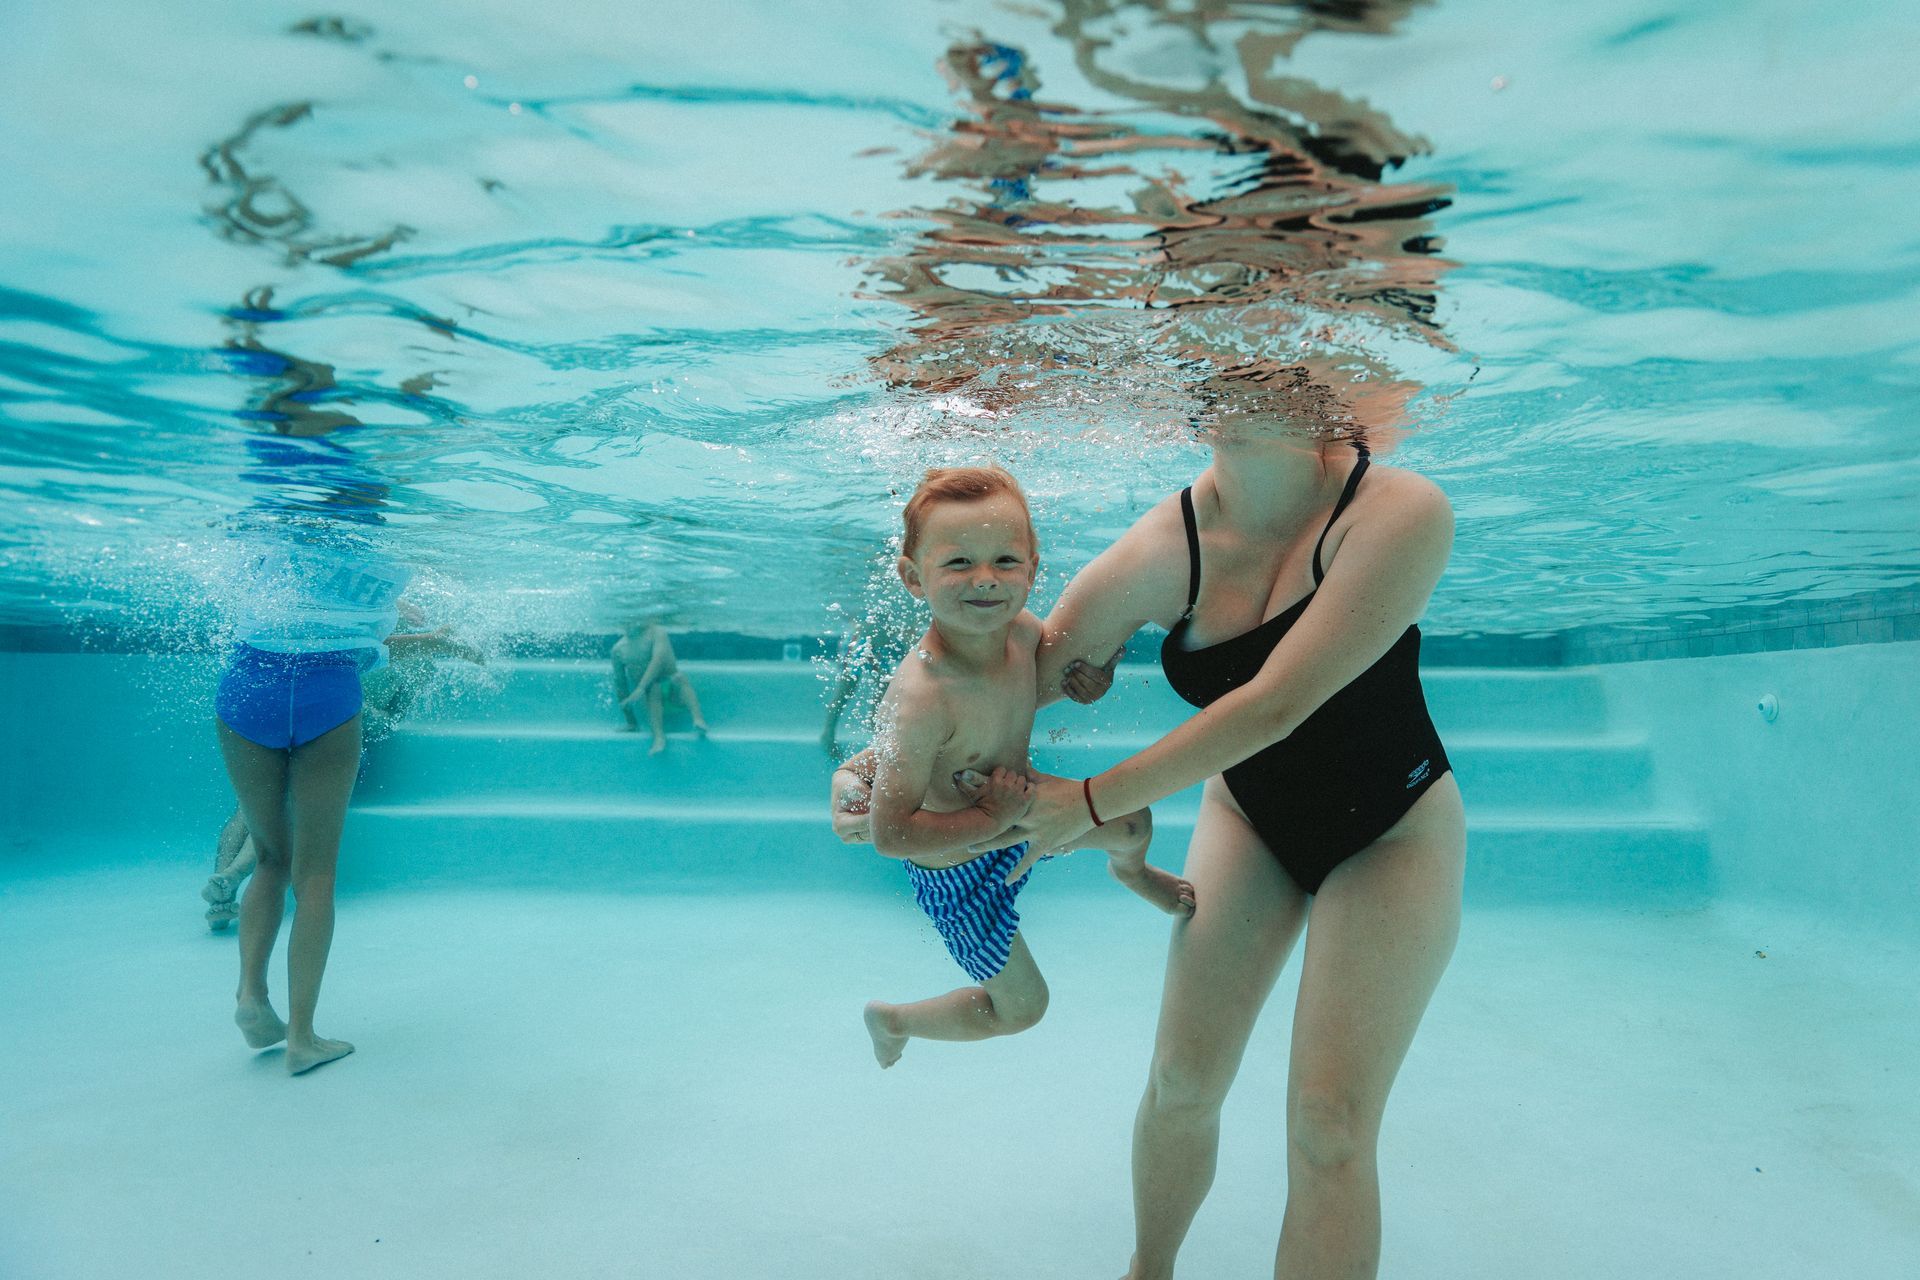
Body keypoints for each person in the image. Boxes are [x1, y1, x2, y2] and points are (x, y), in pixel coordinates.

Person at [834, 413, 1463, 1278]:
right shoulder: (1170, 543)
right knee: (1181, 1085)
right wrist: (871, 770)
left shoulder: (1399, 509)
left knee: (1329, 1125)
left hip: (1394, 829)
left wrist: (1088, 802)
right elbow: (1015, 680)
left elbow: (1276, 705)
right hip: (1251, 823)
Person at [854, 465, 1195, 1070]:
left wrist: (1092, 681)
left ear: (1033, 569)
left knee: (1133, 820)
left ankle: (1132, 873)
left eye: (1006, 561)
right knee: (1021, 1008)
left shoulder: (1019, 634)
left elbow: (1038, 687)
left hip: (1012, 806)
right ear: (913, 577)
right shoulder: (922, 696)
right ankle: (897, 1021)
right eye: (958, 563)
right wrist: (988, 817)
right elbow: (891, 835)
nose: (985, 581)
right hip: (957, 868)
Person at [214, 529, 411, 1075]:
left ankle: (251, 998)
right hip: (329, 692)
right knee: (316, 875)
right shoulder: (384, 557)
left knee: (270, 858)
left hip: (247, 686)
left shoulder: (266, 538)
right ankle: (302, 1038)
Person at [201, 601, 483, 930]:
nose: (411, 615)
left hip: (331, 739)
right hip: (319, 732)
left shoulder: (402, 658)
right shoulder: (358, 640)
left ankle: (228, 882)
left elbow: (391, 720)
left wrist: (369, 714)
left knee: (273, 803)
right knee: (260, 805)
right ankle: (225, 884)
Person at [611, 621, 709, 754]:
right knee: (654, 688)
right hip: (652, 702)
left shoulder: (657, 632)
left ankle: (698, 719)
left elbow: (658, 660)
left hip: (675, 696)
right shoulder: (618, 650)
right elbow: (620, 685)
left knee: (679, 677)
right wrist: (631, 721)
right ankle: (658, 737)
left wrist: (640, 687)